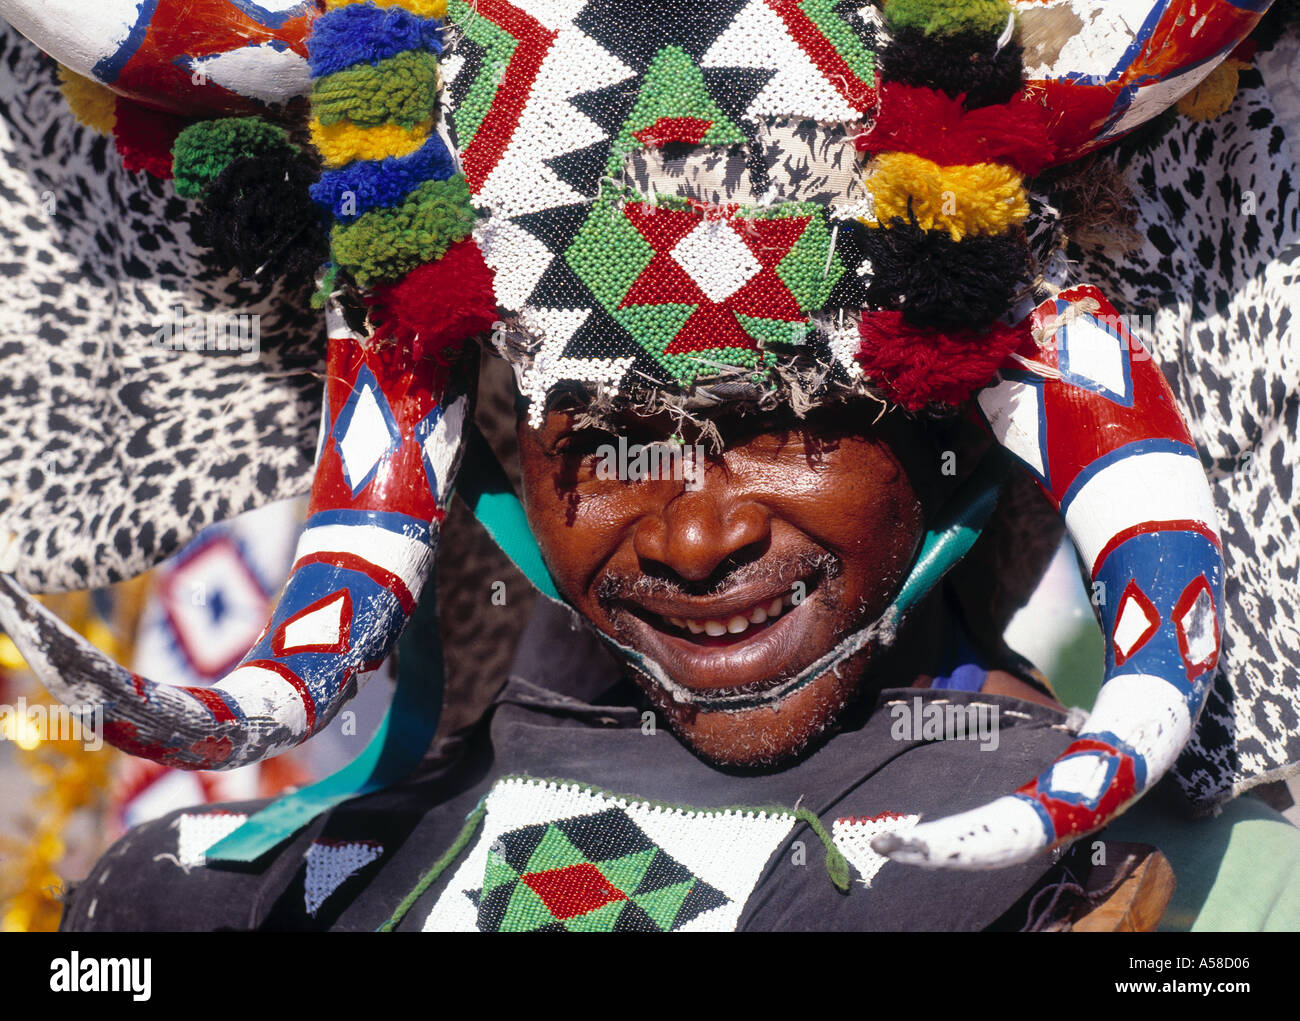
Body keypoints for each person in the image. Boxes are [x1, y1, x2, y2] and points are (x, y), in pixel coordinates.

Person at [0, 0, 1296, 931]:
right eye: (610, 441)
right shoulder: (203, 886)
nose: (693, 537)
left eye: (793, 421)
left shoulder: (1220, 893)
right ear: (503, 432)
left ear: (948, 419)